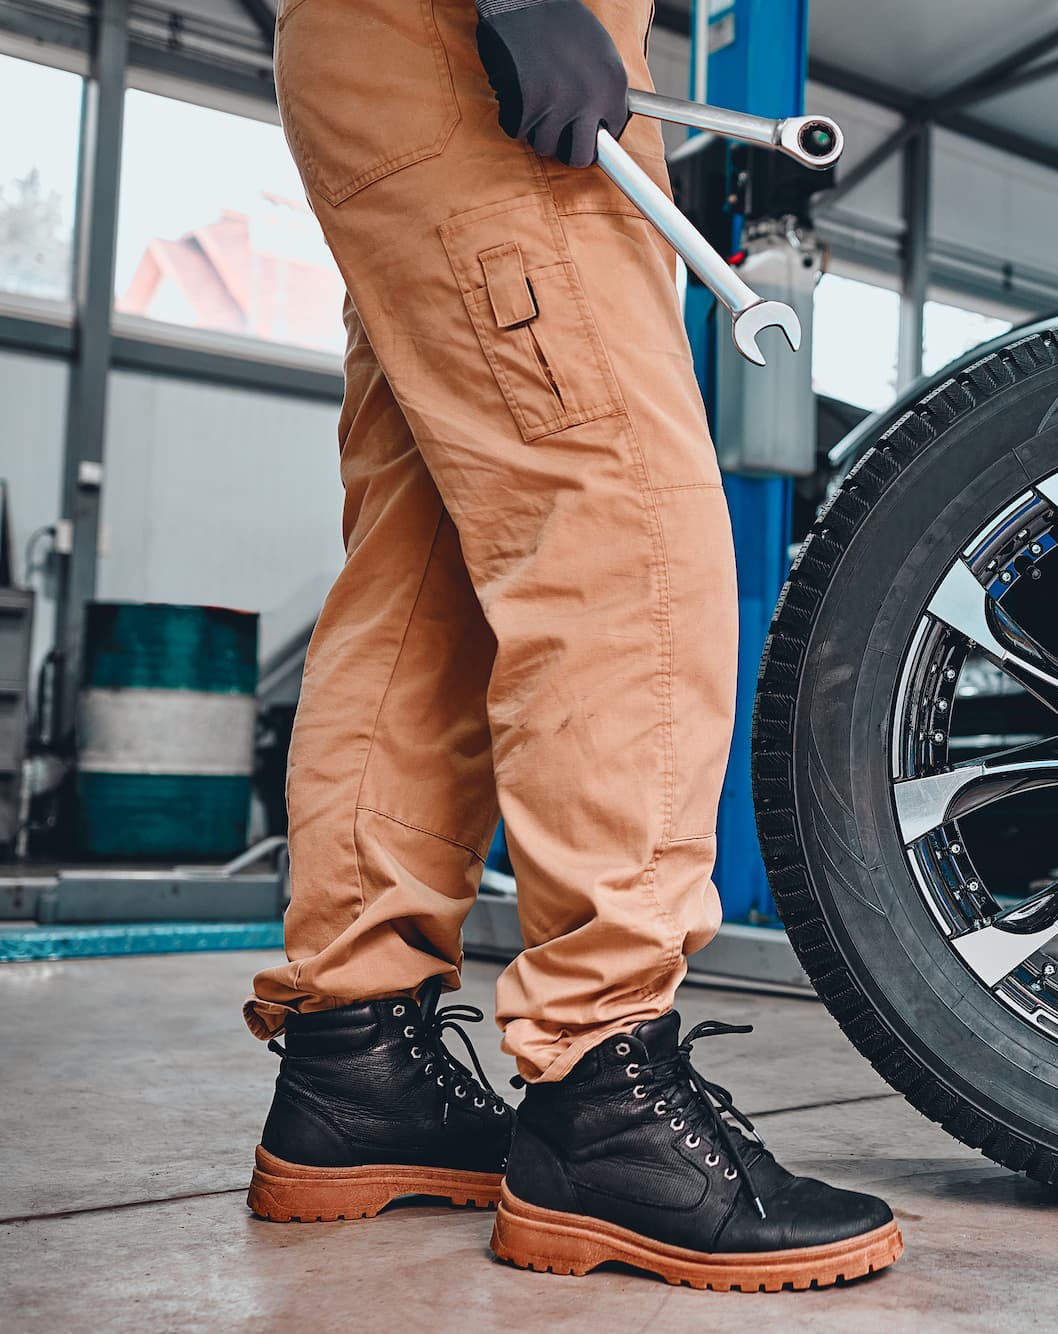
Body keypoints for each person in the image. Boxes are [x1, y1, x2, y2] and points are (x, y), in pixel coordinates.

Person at [239, 0, 901, 1289]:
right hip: (471, 62)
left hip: (389, 65)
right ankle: (604, 1092)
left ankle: (354, 1065)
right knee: (626, 543)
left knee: (423, 580)